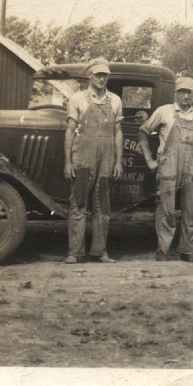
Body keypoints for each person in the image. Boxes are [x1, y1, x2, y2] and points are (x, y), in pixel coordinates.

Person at [138, 77, 193, 264]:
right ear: (176, 93)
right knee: (166, 209)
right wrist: (150, 160)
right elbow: (143, 131)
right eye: (182, 91)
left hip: (190, 167)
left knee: (191, 210)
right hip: (168, 165)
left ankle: (187, 250)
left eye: (189, 92)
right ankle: (163, 251)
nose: (185, 96)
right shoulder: (164, 111)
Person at [63, 57, 124, 264]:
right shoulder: (77, 99)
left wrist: (118, 161)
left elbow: (118, 132)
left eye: (105, 75)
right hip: (83, 157)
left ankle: (100, 251)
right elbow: (70, 131)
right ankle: (74, 252)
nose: (101, 78)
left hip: (106, 159)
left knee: (102, 205)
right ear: (89, 75)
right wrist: (68, 162)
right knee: (78, 202)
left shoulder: (115, 100)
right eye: (98, 74)